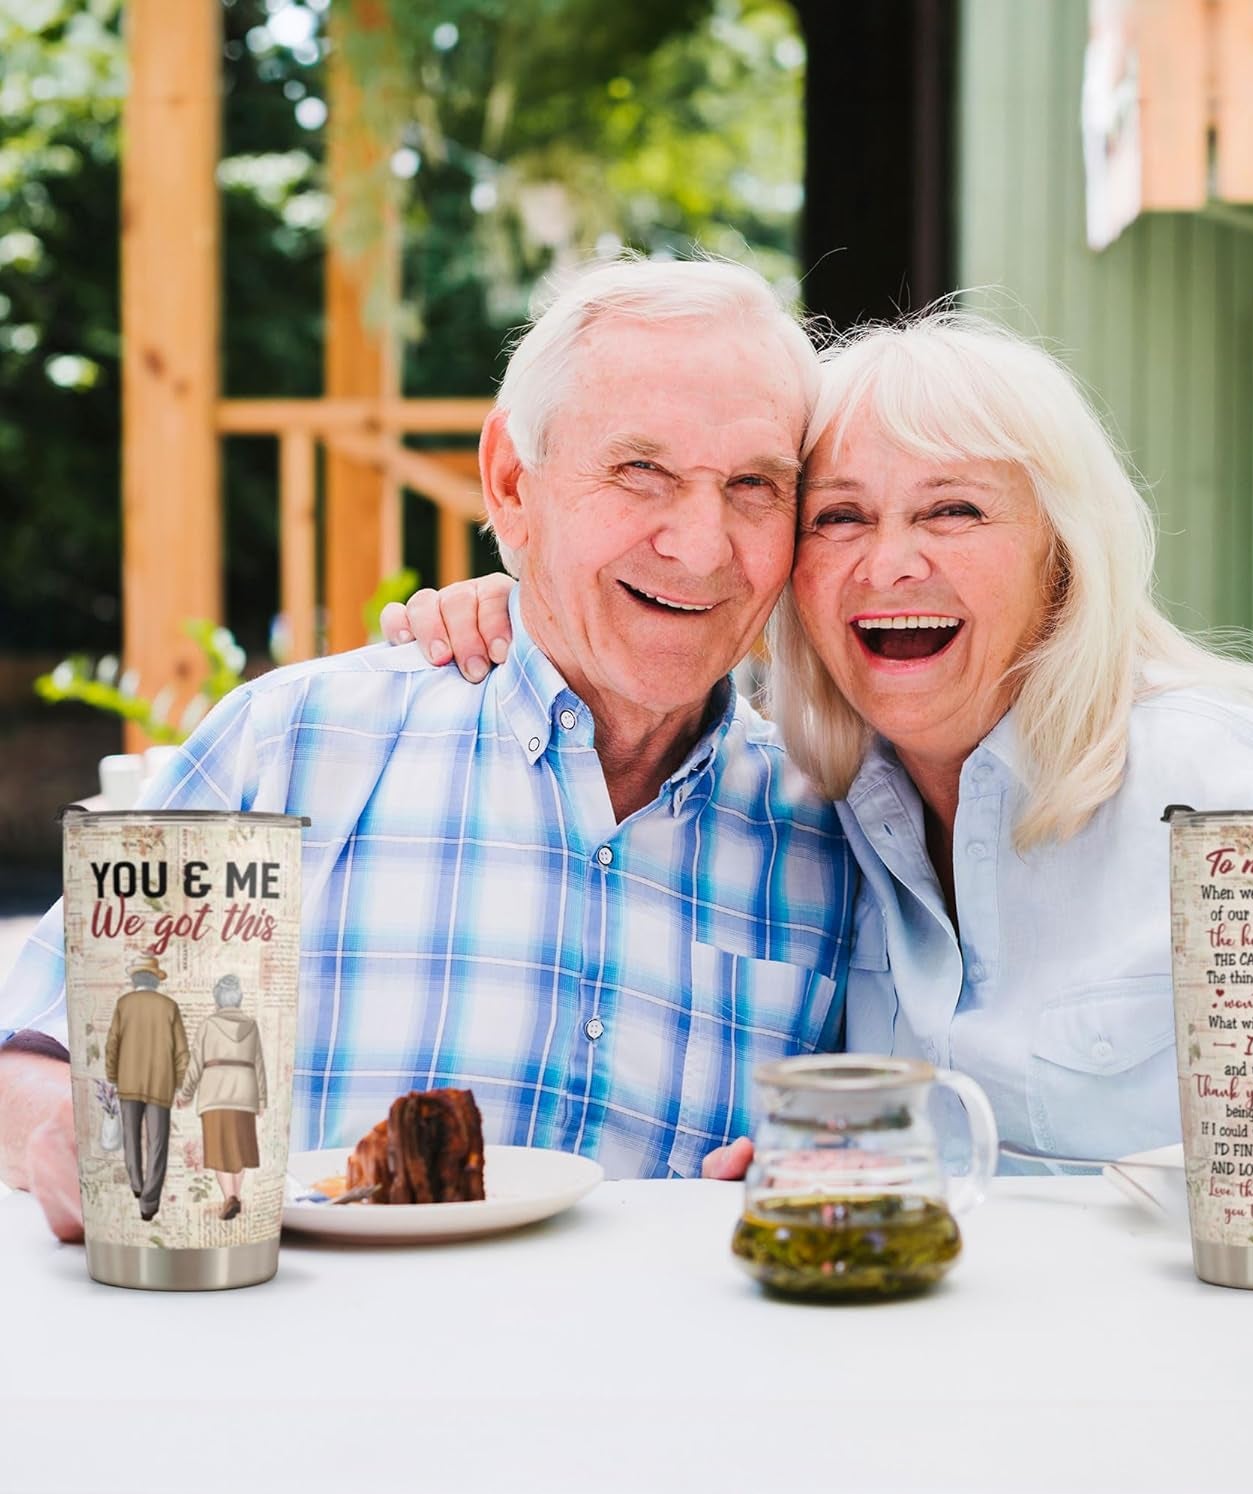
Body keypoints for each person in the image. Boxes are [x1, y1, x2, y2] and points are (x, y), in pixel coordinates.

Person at [388, 309, 1253, 1282]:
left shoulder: (1227, 798)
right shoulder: (818, 818)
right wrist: (524, 593)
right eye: (839, 518)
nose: (890, 563)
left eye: (955, 512)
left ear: (1060, 558)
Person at [0, 257, 856, 1242]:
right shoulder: (298, 745)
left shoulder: (830, 830)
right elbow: (36, 1047)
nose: (702, 545)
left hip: (654, 1387)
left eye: (754, 485)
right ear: (510, 484)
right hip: (305, 1374)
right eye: (641, 470)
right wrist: (73, 1139)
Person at [104, 954, 189, 1222]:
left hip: (128, 1081)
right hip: (159, 1084)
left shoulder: (124, 1004)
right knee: (157, 1143)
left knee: (131, 1137)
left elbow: (112, 1044)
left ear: (135, 980)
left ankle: (136, 1185)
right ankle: (149, 1203)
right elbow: (181, 1052)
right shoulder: (169, 1007)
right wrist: (178, 1082)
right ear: (155, 980)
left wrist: (112, 1075)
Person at [176, 974, 268, 1221]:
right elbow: (259, 1063)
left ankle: (230, 1196)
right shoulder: (251, 1025)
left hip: (215, 1092)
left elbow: (196, 1062)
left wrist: (185, 1094)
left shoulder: (208, 1025)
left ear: (217, 1000)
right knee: (239, 1148)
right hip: (245, 1092)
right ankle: (235, 1195)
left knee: (219, 1149)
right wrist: (261, 1100)